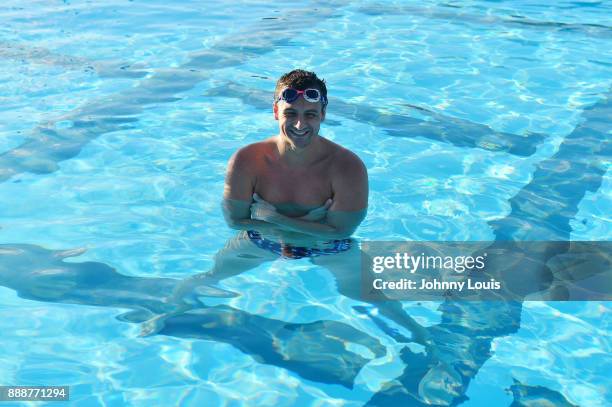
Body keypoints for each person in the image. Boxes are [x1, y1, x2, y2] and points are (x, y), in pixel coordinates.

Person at [222, 69, 368, 244]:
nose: (300, 125)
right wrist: (309, 224)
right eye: (290, 113)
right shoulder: (246, 160)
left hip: (326, 246)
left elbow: (341, 233)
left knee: (367, 272)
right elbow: (234, 221)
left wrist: (275, 219)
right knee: (211, 273)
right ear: (276, 111)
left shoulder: (347, 167)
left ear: (323, 114)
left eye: (310, 114)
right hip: (265, 240)